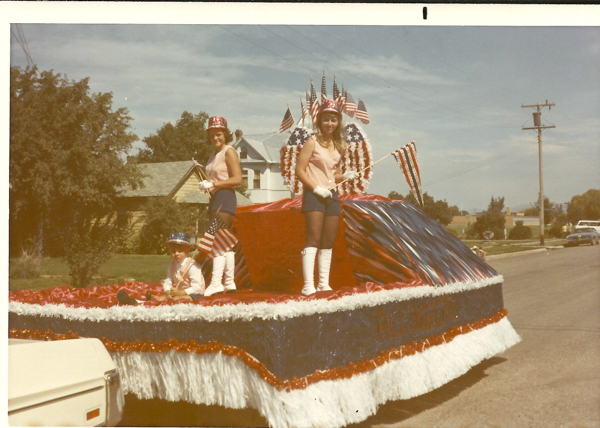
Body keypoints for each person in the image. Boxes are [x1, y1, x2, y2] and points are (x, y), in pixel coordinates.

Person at [295, 100, 359, 296]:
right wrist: (315, 188)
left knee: (328, 240)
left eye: (333, 120)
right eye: (325, 120)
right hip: (314, 196)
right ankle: (308, 285)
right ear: (319, 121)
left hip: (331, 196)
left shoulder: (340, 146)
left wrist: (345, 175)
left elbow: (333, 174)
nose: (329, 124)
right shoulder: (311, 142)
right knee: (313, 238)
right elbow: (299, 170)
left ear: (338, 122)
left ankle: (323, 283)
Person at [198, 116, 242, 297]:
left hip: (225, 198)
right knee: (225, 243)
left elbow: (237, 179)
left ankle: (216, 283)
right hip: (215, 199)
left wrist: (214, 184)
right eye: (212, 135)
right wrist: (207, 184)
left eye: (219, 134)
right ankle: (230, 283)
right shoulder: (213, 155)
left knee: (215, 240)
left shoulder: (229, 152)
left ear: (226, 134)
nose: (215, 138)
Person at [117, 232, 204, 305]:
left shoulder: (192, 266)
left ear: (188, 251)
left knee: (179, 299)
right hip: (179, 292)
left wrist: (180, 292)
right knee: (163, 297)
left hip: (195, 295)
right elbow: (168, 281)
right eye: (173, 251)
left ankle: (149, 302)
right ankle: (137, 302)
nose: (176, 254)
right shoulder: (172, 265)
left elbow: (197, 287)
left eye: (180, 251)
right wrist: (167, 292)